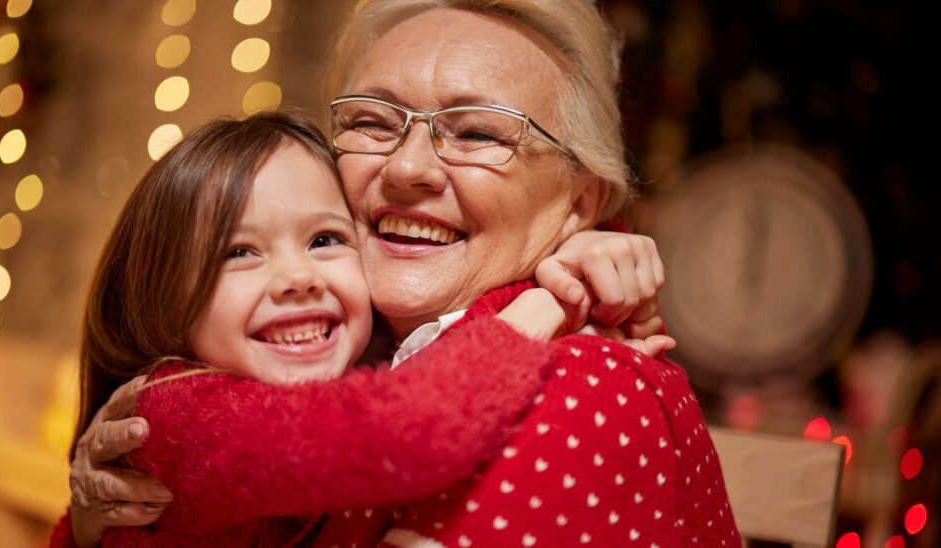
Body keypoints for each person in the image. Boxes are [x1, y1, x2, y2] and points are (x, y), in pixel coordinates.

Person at [66, 0, 741, 546]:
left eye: (478, 132)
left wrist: (568, 292)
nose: (408, 168)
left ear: (581, 202)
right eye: (372, 121)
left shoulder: (587, 388)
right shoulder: (348, 366)